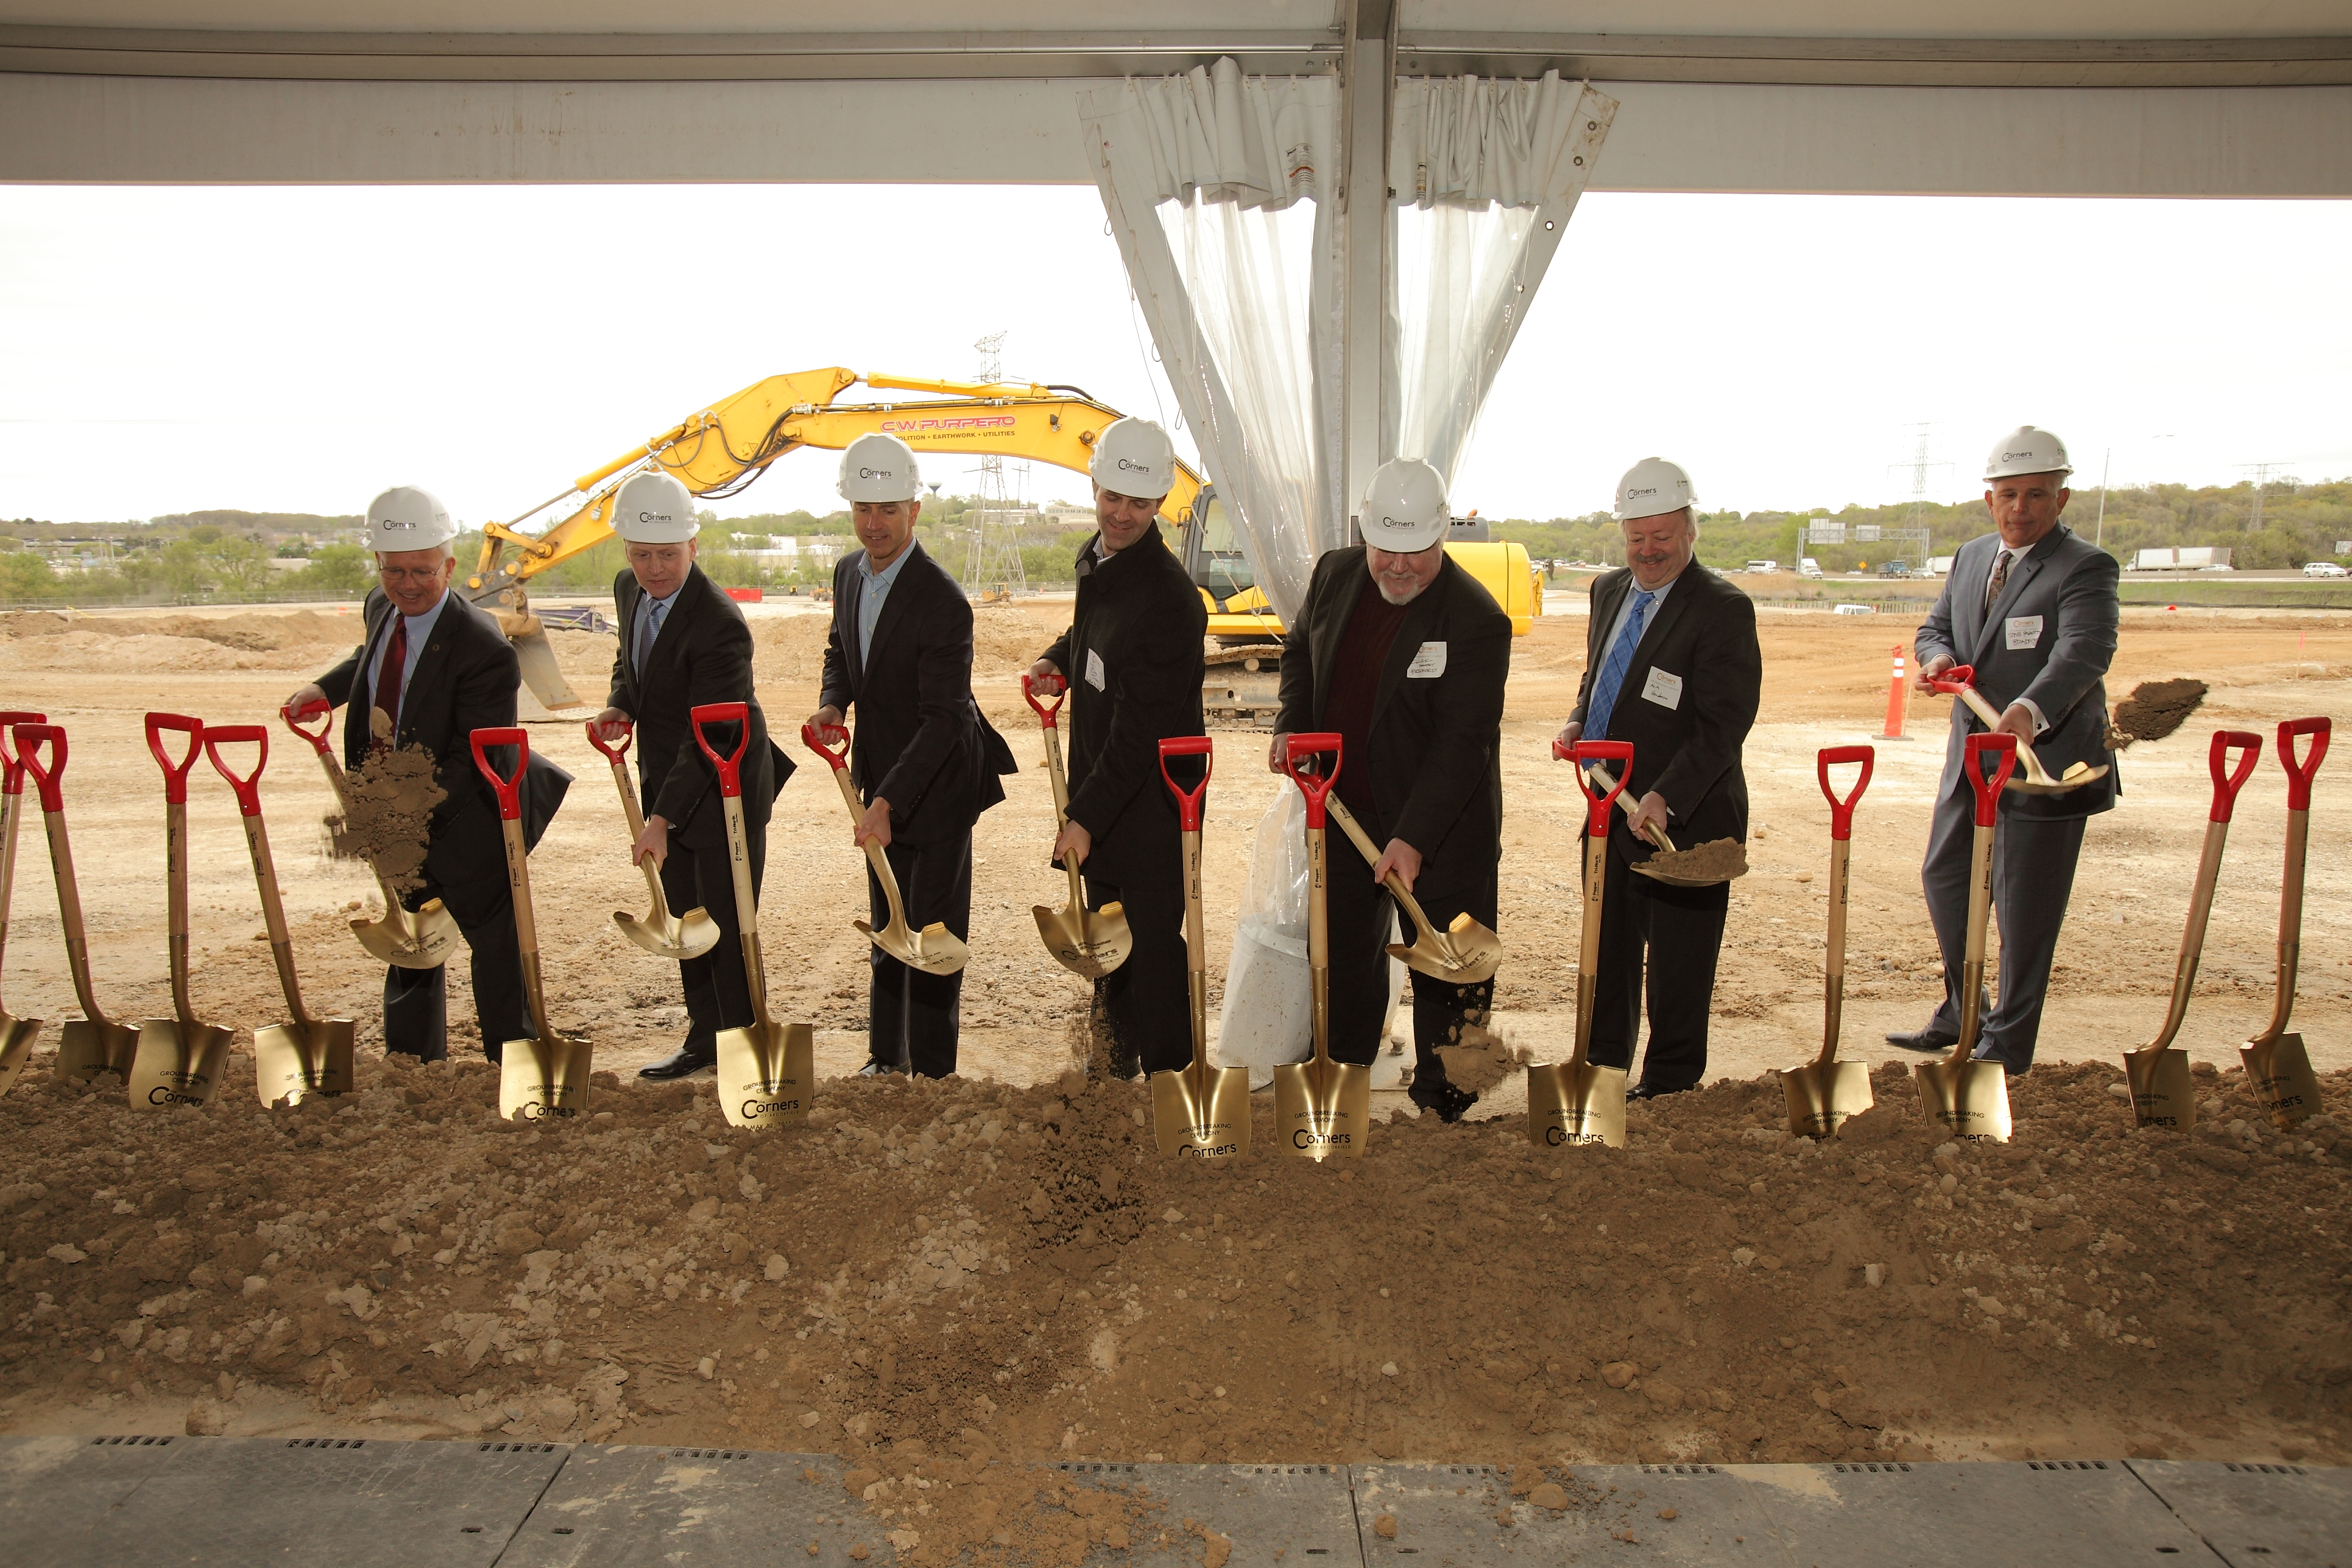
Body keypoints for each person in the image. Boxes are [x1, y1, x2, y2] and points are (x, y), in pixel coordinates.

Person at [288, 486, 568, 1064]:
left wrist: (398, 811)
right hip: (394, 813)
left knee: (494, 941)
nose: (407, 584)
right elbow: (372, 653)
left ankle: (508, 1057)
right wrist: (326, 688)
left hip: (467, 819)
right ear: (378, 565)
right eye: (395, 571)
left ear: (449, 566)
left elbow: (474, 757)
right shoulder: (380, 604)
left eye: (422, 572)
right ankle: (412, 1057)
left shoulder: (483, 647)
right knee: (410, 935)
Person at [1268, 458, 1511, 1121]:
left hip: (1440, 828)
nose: (1398, 569)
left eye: (1416, 555)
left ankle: (1445, 1108)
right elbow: (1299, 652)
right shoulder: (1335, 574)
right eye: (1385, 552)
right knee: (1343, 958)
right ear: (1365, 536)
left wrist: (1414, 838)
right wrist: (1294, 725)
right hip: (1344, 813)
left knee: (1448, 973)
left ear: (1442, 538)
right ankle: (1338, 1092)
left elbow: (1463, 745)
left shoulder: (1475, 619)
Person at [1886, 426, 2119, 1074]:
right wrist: (1937, 660)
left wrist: (2028, 711)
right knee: (1947, 877)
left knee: (2024, 904)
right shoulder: (1971, 556)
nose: (2021, 509)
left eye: (2037, 495)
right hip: (1973, 754)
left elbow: (2084, 653)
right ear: (1990, 498)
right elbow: (1936, 627)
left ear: (2061, 500)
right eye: (2009, 495)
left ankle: (2007, 1045)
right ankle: (1964, 1008)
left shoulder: (2085, 567)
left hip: (2046, 764)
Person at [1553, 457, 1760, 1100]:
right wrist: (1576, 721)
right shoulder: (1608, 590)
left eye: (1662, 537)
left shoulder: (1722, 608)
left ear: (1691, 531)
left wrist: (1667, 795)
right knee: (1608, 947)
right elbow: (1599, 676)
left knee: (1679, 963)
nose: (1648, 551)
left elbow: (1725, 724)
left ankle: (1670, 1087)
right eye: (1637, 538)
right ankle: (1603, 1071)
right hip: (1609, 807)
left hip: (1687, 819)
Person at [814, 434, 1015, 1078]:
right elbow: (842, 652)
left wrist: (885, 802)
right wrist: (831, 704)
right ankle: (885, 1058)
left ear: (914, 510)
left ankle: (932, 1071)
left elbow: (942, 720)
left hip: (941, 783)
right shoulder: (848, 573)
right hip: (884, 775)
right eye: (863, 510)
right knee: (886, 924)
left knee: (929, 933)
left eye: (889, 511)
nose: (874, 525)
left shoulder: (942, 600)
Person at [589, 468, 791, 1081]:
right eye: (643, 555)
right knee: (685, 919)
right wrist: (621, 702)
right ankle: (704, 1039)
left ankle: (741, 1046)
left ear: (693, 547)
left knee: (726, 926)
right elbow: (632, 659)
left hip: (722, 783)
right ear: (627, 551)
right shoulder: (630, 589)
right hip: (669, 782)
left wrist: (660, 820)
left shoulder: (719, 624)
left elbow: (713, 737)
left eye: (668, 556)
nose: (655, 569)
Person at [1025, 418, 1207, 1080]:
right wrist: (1057, 659)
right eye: (1112, 498)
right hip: (1104, 790)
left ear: (1160, 504)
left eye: (1139, 503)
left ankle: (1171, 1085)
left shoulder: (1169, 600)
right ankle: (1114, 1068)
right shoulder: (1099, 560)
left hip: (1154, 804)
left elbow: (1141, 732)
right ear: (1095, 485)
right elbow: (1093, 633)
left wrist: (1084, 818)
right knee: (1108, 940)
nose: (1122, 515)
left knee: (1152, 950)